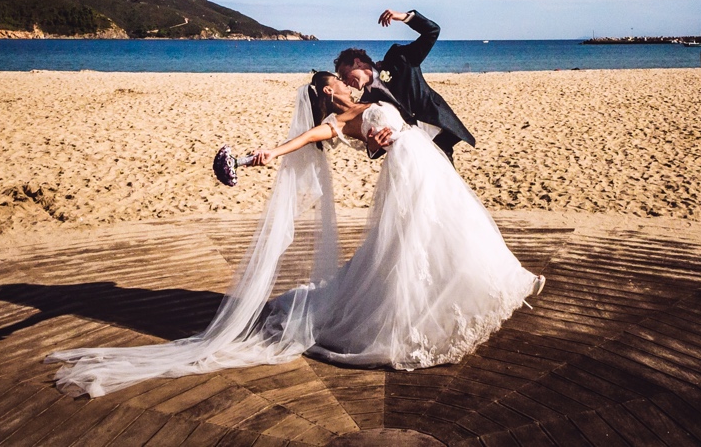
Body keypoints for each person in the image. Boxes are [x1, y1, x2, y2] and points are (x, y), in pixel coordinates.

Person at [46, 71, 540, 396]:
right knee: (411, 247)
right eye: (339, 81)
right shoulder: (332, 123)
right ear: (328, 91)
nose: (348, 82)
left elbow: (400, 116)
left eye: (347, 79)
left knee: (447, 236)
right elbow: (297, 142)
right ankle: (413, 313)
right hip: (409, 177)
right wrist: (258, 156)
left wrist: (393, 133)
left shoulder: (373, 97)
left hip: (426, 169)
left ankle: (458, 289)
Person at [335, 8, 475, 164]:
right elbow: (373, 143)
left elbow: (432, 32)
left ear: (357, 63)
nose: (346, 82)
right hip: (410, 153)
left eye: (345, 75)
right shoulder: (365, 103)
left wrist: (405, 17)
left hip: (439, 134)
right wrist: (373, 147)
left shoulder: (398, 59)